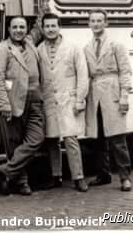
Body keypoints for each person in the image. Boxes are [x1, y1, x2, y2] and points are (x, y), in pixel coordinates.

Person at [0, 16, 45, 195]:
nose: (19, 30)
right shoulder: (2, 49)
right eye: (15, 27)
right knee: (14, 144)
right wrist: (4, 105)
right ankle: (22, 183)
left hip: (35, 99)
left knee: (37, 138)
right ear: (9, 30)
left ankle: (5, 170)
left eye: (22, 27)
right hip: (13, 101)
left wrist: (44, 7)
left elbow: (39, 27)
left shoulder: (29, 42)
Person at [36, 13, 89, 192]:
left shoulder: (72, 47)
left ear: (59, 27)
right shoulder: (39, 49)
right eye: (47, 26)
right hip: (49, 99)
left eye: (53, 26)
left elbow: (82, 74)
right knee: (52, 140)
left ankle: (78, 177)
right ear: (42, 28)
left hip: (68, 98)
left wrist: (80, 99)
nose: (50, 29)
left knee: (70, 138)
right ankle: (56, 176)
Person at [83, 9, 133, 192]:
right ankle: (103, 174)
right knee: (98, 139)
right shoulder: (86, 48)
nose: (96, 24)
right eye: (92, 20)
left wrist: (124, 96)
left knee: (117, 138)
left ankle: (125, 177)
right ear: (89, 24)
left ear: (106, 23)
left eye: (99, 20)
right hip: (95, 95)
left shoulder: (116, 45)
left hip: (112, 91)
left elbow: (125, 71)